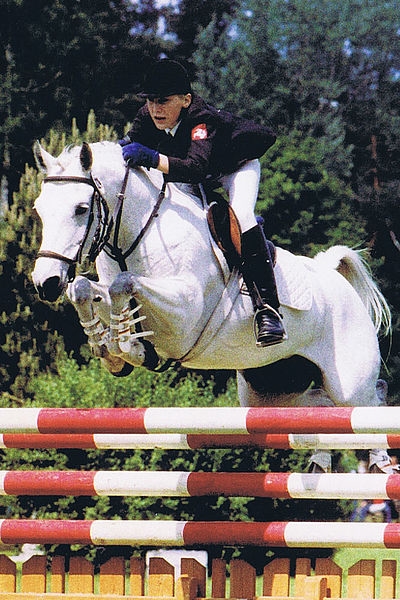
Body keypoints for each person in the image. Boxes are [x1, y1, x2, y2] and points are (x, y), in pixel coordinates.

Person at [119, 59, 286, 347]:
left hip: (235, 169)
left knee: (242, 215)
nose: (156, 109)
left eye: (163, 101)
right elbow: (129, 145)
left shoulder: (201, 121)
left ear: (186, 100)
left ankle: (268, 310)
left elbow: (195, 167)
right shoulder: (147, 116)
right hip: (194, 172)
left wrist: (151, 158)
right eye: (150, 101)